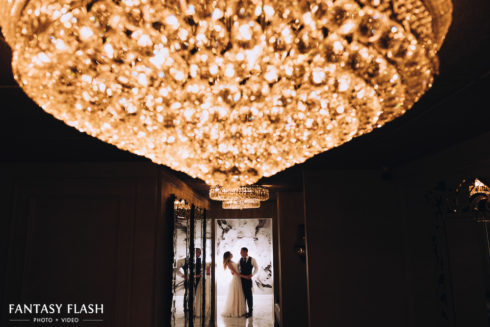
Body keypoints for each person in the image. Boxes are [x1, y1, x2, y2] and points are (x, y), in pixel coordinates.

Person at [221, 251, 247, 317]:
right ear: (228, 255)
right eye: (230, 253)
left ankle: (240, 310)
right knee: (237, 293)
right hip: (236, 278)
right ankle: (236, 311)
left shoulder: (231, 261)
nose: (232, 254)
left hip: (237, 278)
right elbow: (235, 272)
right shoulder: (228, 263)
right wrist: (244, 276)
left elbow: (233, 271)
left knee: (239, 293)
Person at [239, 247, 259, 318]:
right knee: (243, 296)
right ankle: (244, 311)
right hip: (241, 280)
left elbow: (256, 268)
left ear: (245, 252)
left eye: (241, 252)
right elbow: (238, 267)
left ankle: (250, 312)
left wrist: (252, 274)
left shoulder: (252, 259)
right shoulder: (240, 259)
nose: (240, 253)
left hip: (248, 280)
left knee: (249, 296)